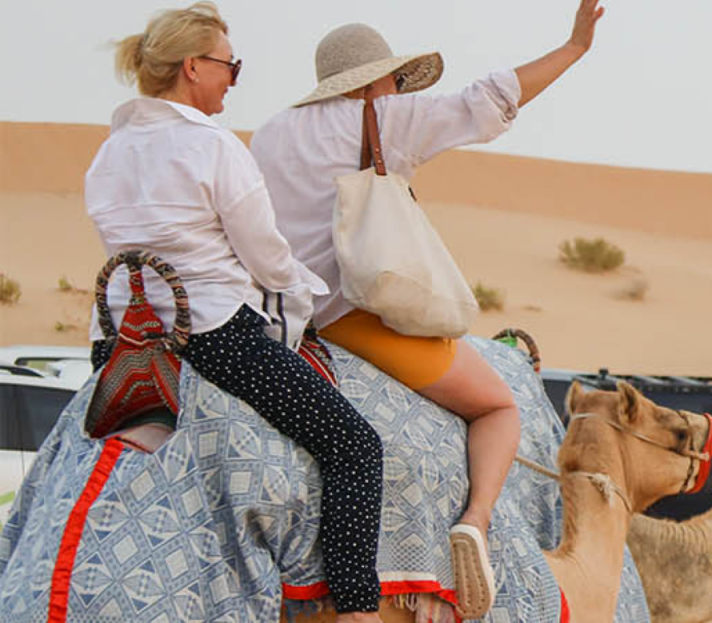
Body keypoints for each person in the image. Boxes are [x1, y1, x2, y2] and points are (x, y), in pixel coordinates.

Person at [249, 0, 603, 618]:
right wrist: (573, 50)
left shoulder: (271, 132)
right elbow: (488, 100)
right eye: (392, 79)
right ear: (371, 84)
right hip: (351, 318)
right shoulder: (381, 117)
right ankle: (477, 523)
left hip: (279, 318)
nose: (396, 90)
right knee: (498, 406)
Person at [86, 4, 383, 622]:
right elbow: (268, 258)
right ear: (192, 67)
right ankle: (357, 608)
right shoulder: (212, 145)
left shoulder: (108, 153)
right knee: (355, 446)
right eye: (230, 65)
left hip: (116, 346)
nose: (232, 79)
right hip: (213, 339)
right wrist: (305, 294)